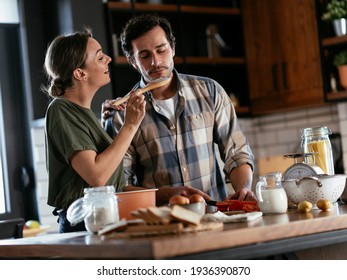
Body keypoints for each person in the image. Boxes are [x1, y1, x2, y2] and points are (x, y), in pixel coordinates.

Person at [102, 14, 255, 205]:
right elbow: (120, 186)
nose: (156, 62)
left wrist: (243, 189)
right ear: (133, 61)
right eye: (145, 55)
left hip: (214, 214)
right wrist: (167, 194)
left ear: (172, 49)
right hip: (161, 222)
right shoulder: (122, 114)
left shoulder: (210, 91)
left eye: (161, 50)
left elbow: (237, 153)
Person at [42, 27, 146, 233]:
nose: (108, 58)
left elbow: (111, 183)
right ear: (80, 73)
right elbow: (97, 177)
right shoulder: (60, 109)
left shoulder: (83, 113)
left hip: (103, 220)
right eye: (99, 57)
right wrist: (131, 124)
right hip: (84, 225)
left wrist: (165, 193)